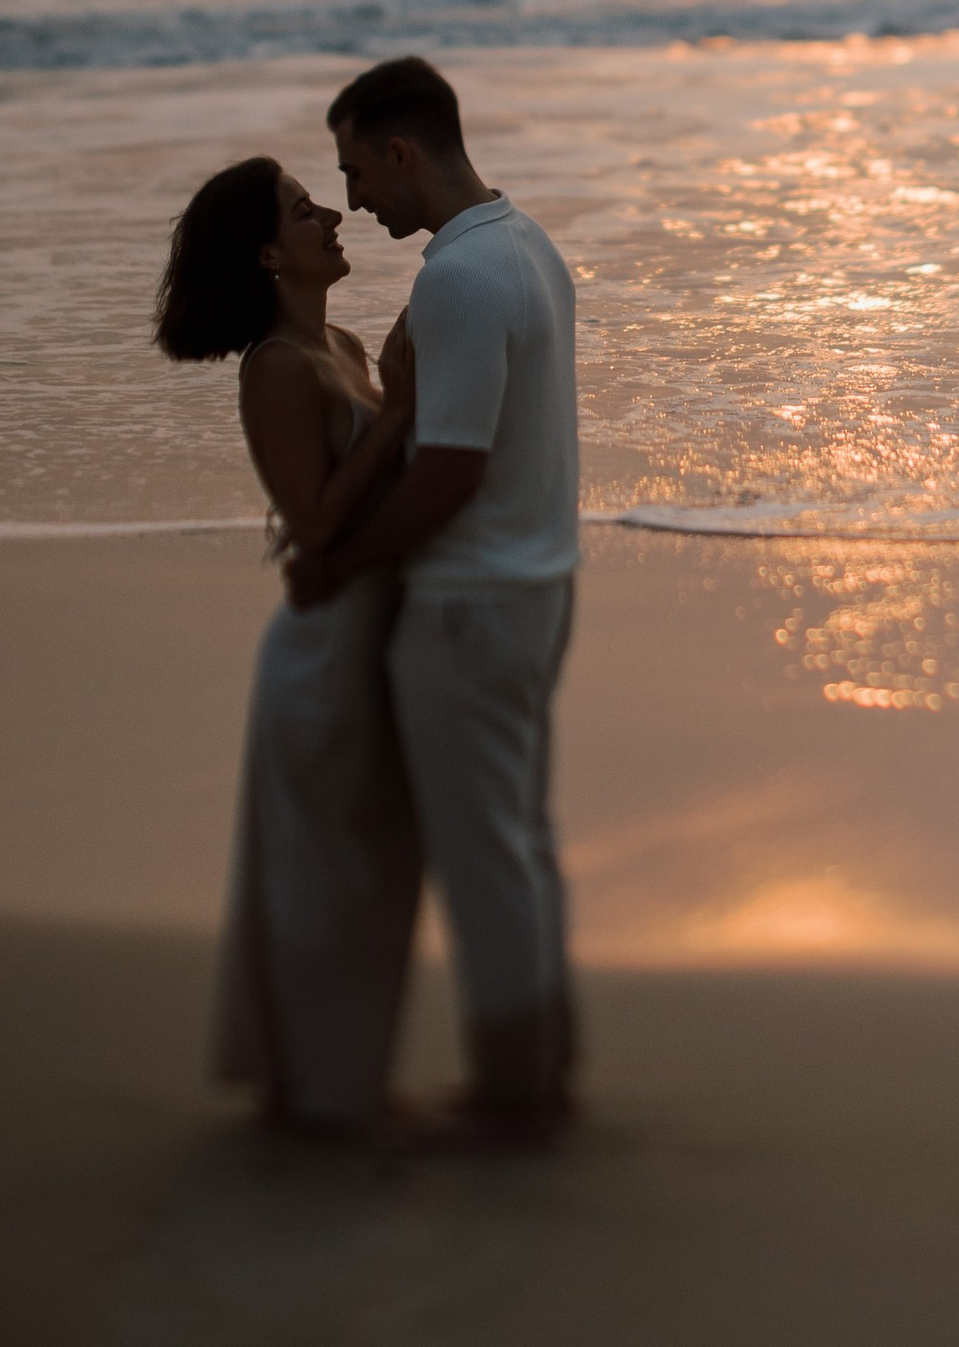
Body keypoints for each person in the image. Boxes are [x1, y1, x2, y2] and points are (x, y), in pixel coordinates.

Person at [285, 56, 580, 1145]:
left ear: (403, 152)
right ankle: (543, 1064)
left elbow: (450, 467)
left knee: (480, 851)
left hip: (470, 602)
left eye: (358, 170)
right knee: (518, 839)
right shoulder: (526, 245)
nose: (355, 198)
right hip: (537, 583)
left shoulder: (458, 278)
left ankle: (514, 1091)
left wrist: (342, 561)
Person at [153, 152, 421, 1141]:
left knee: (376, 860)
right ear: (269, 253)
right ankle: (317, 1094)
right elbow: (308, 522)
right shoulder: (278, 366)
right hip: (323, 648)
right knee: (323, 870)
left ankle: (341, 1079)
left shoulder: (346, 342)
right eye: (304, 211)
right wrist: (395, 417)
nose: (331, 219)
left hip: (375, 626)